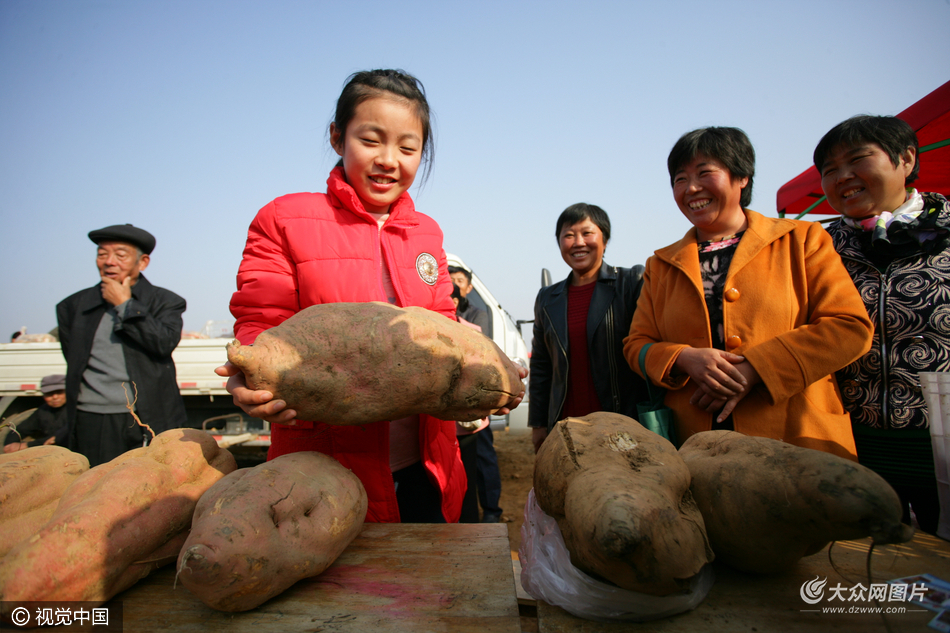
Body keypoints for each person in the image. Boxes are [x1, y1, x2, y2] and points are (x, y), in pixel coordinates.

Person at [217, 69, 524, 524]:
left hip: (428, 464)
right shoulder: (284, 218)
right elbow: (262, 318)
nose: (388, 160)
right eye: (371, 140)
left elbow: (443, 322)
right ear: (338, 137)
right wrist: (252, 376)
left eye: (407, 147)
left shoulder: (427, 232)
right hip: (325, 469)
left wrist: (492, 366)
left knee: (431, 586)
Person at [623, 127, 874, 459]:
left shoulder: (802, 240)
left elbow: (849, 327)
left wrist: (756, 369)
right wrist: (684, 358)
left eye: (704, 173)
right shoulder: (661, 264)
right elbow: (637, 345)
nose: (691, 188)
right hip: (696, 447)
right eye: (680, 179)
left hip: (798, 441)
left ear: (741, 176)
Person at [814, 115, 950, 533]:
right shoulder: (815, 248)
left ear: (906, 159)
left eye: (858, 160)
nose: (844, 177)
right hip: (848, 445)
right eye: (830, 170)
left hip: (942, 445)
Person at [56, 224, 187, 467]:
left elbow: (163, 343)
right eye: (102, 254)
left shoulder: (166, 302)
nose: (109, 262)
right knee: (94, 487)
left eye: (120, 254)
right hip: (91, 417)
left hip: (145, 416)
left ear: (143, 262)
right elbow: (73, 358)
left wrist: (126, 306)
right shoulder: (73, 306)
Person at [529, 203, 649, 453]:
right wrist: (538, 423)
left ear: (604, 238)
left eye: (587, 233)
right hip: (568, 425)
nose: (578, 242)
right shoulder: (547, 298)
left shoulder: (630, 283)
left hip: (623, 424)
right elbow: (541, 365)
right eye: (568, 235)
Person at [3, 374, 68, 452]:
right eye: (49, 393)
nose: (55, 397)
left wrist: (28, 445)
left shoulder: (76, 410)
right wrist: (10, 445)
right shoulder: (43, 411)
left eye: (59, 392)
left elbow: (64, 434)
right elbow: (21, 429)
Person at [448, 265, 491, 337]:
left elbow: (481, 341)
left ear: (469, 287)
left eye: (460, 281)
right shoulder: (439, 308)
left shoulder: (478, 314)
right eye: (451, 280)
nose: (455, 284)